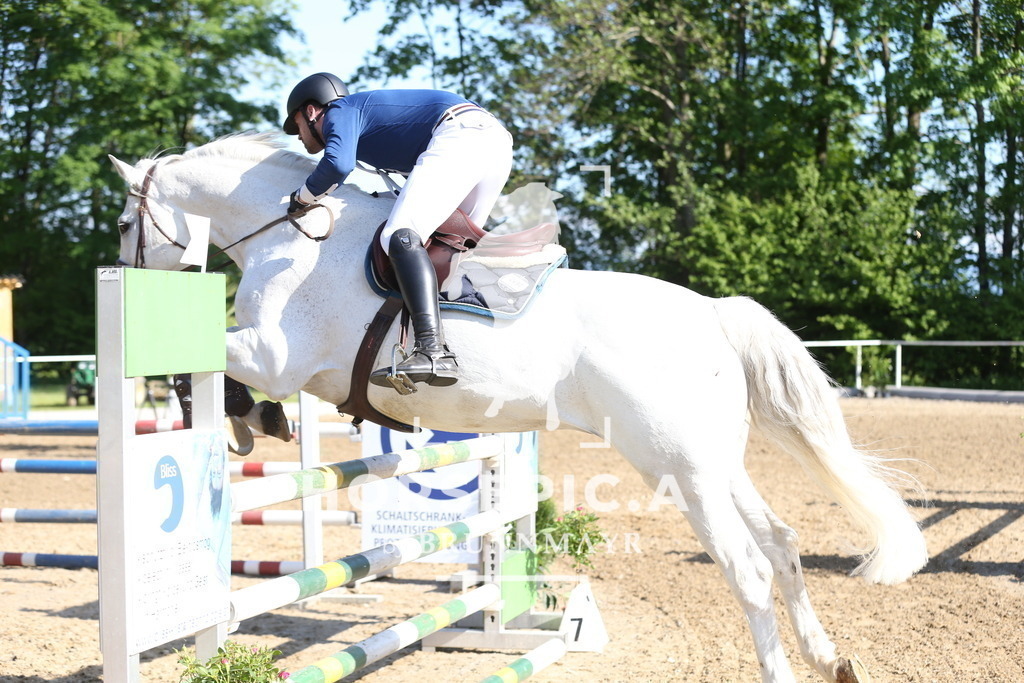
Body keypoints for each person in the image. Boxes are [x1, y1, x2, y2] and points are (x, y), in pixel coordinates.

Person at [283, 72, 513, 390]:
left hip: (459, 134)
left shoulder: (340, 111)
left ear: (311, 111)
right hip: (493, 141)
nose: (297, 136)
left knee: (400, 235)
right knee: (449, 242)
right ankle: (471, 335)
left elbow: (336, 166)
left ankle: (432, 350)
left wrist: (301, 198)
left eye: (295, 124)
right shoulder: (372, 123)